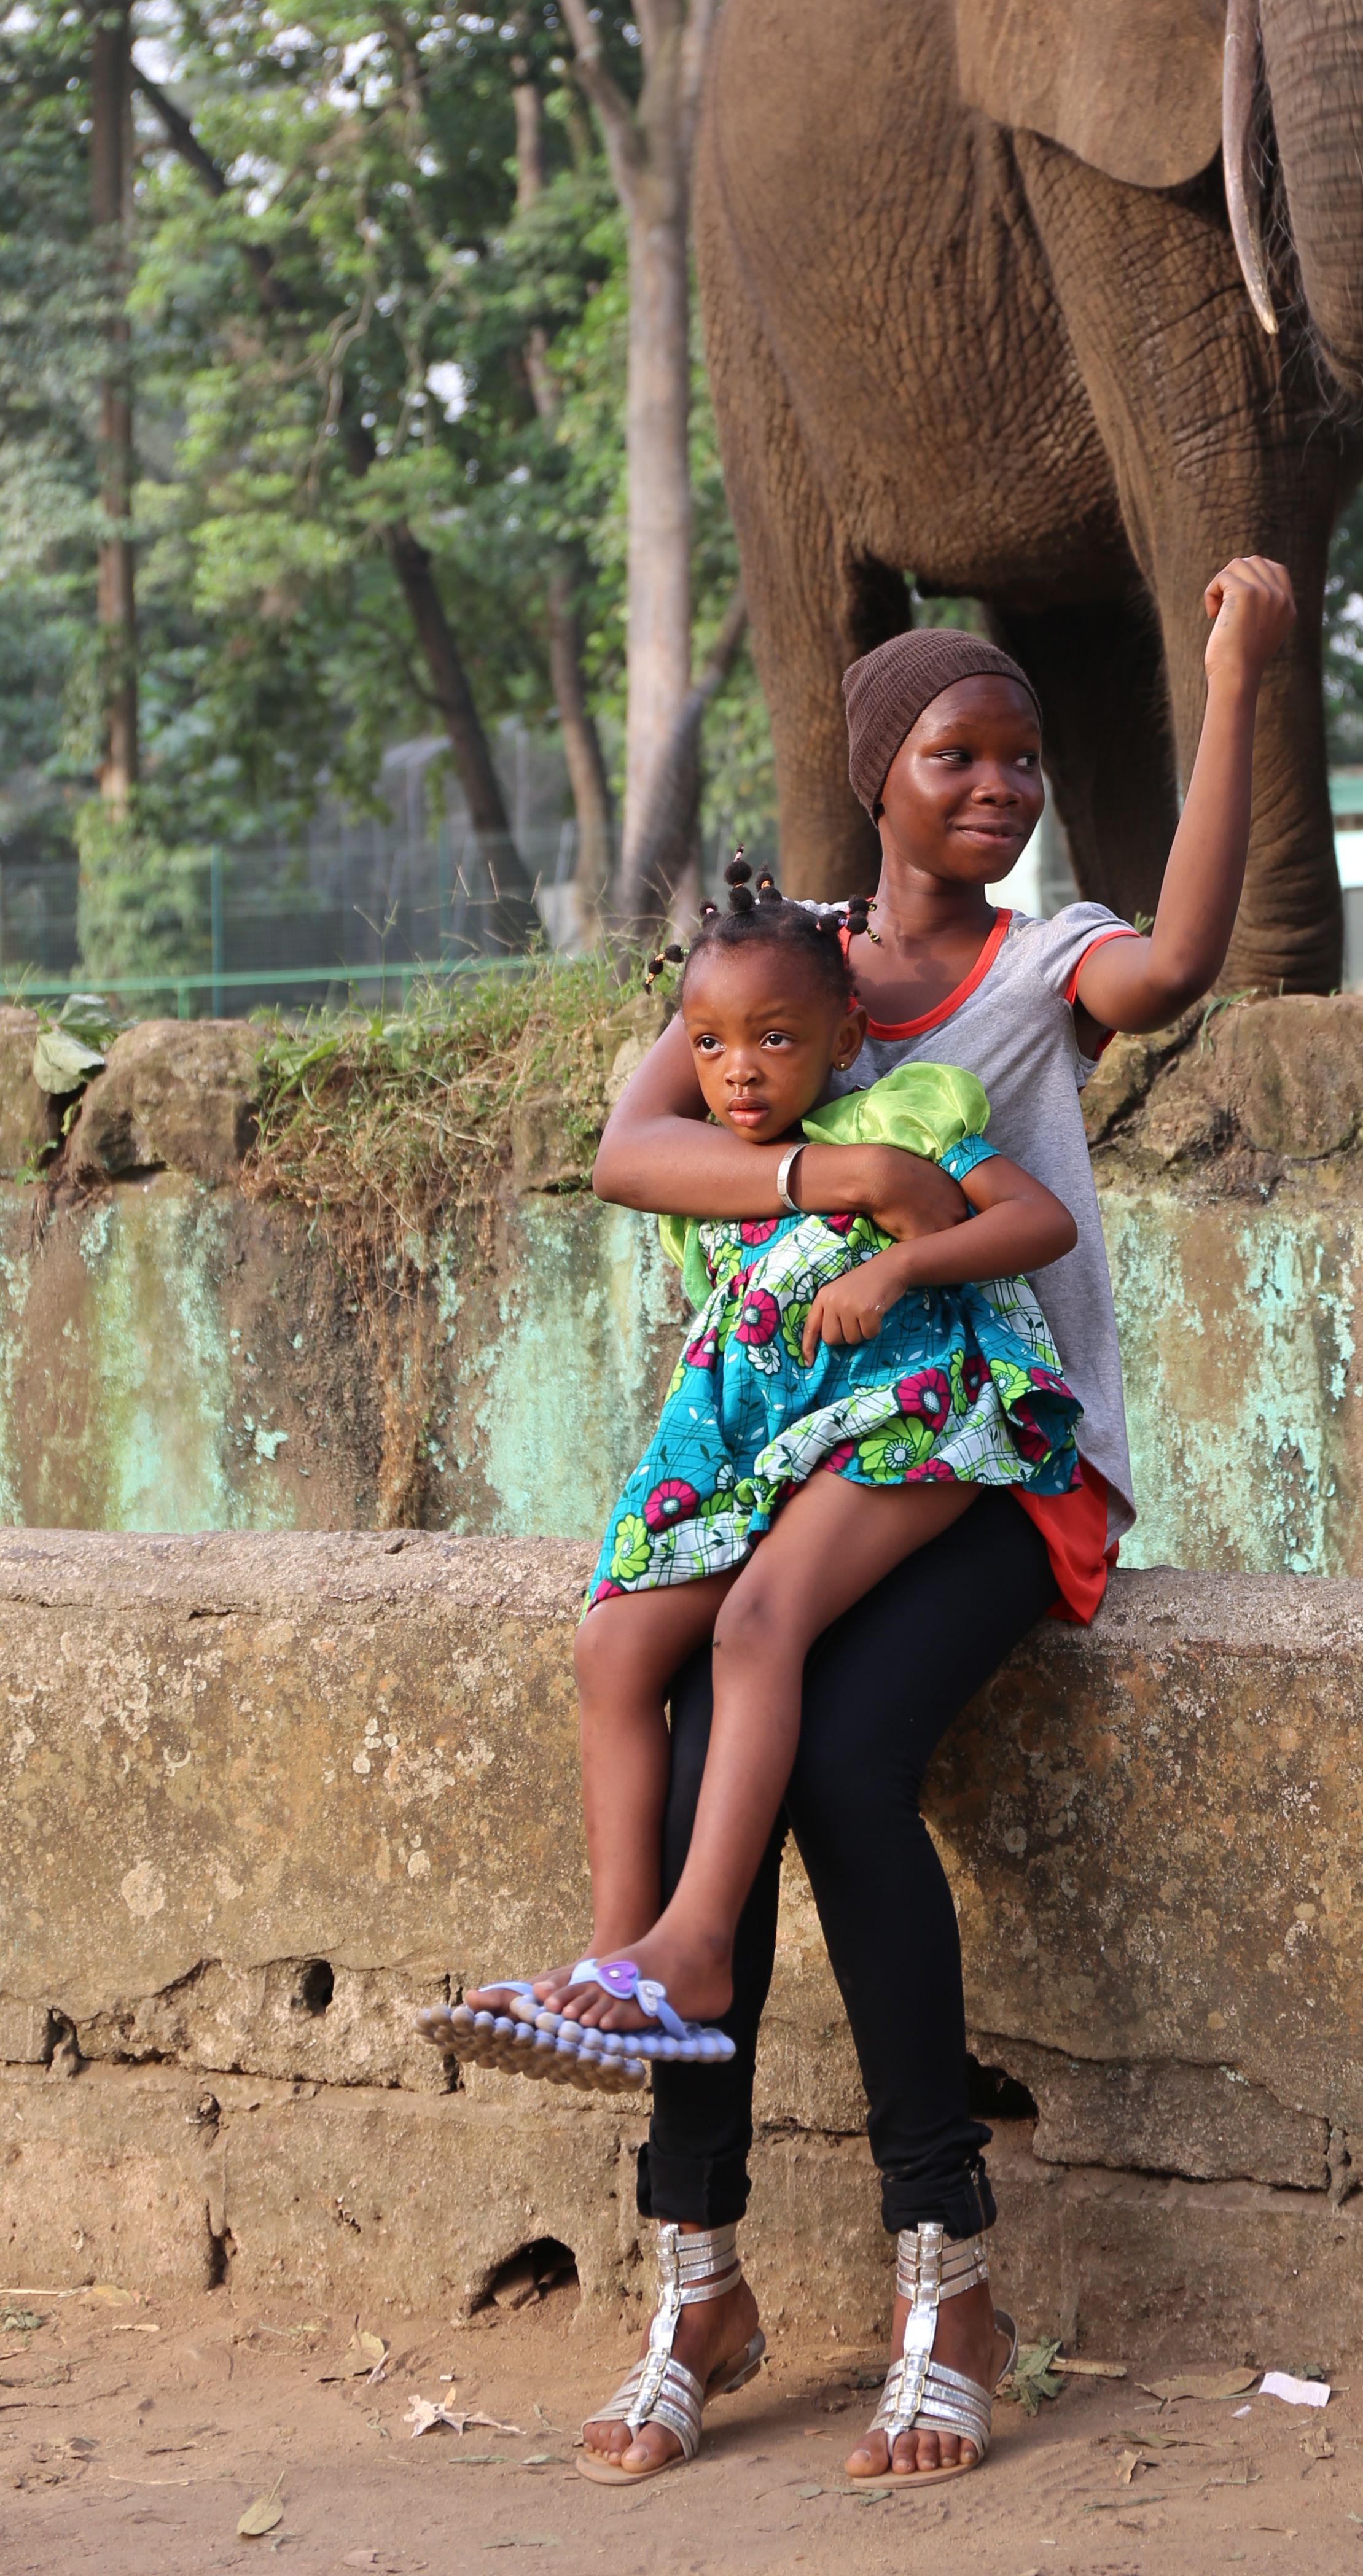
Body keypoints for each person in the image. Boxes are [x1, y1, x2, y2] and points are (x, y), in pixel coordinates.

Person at [578, 555, 1295, 2492]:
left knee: (828, 1760)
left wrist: (1238, 687)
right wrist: (834, 1165)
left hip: (994, 1454)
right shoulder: (779, 965)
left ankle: (945, 2271)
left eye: (1026, 758)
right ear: (876, 770)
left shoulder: (1051, 958)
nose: (1001, 787)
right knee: (700, 1714)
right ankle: (698, 2276)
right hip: (807, 1442)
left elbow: (1188, 961)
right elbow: (632, 1150)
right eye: (959, 756)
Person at [418, 856, 1085, 2138]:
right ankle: (622, 1960)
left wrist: (902, 1271)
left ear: (845, 1036)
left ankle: (700, 1943)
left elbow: (1037, 1223)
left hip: (915, 1411)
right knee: (616, 1641)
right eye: (711, 1044)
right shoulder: (705, 1160)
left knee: (756, 1628)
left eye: (775, 1041)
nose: (737, 1071)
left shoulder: (912, 1113)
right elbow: (633, 1161)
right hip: (759, 1438)